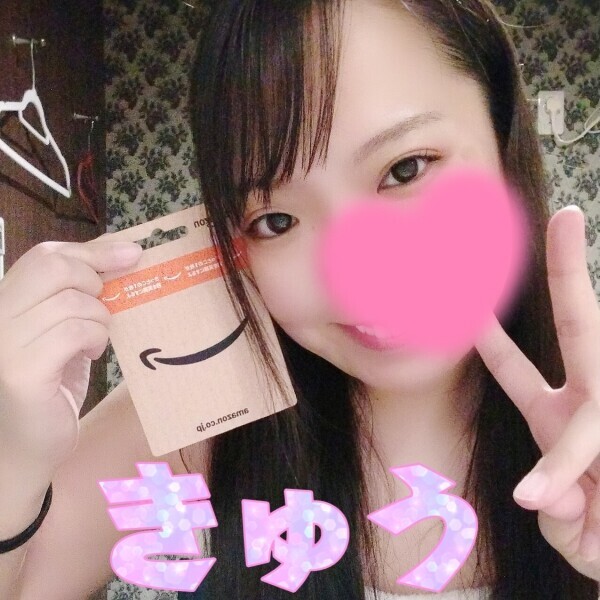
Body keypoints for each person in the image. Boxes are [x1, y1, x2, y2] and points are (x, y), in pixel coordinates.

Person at [0, 0, 599, 598]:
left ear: (501, 130)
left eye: (406, 169)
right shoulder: (197, 417)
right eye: (276, 221)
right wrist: (13, 457)